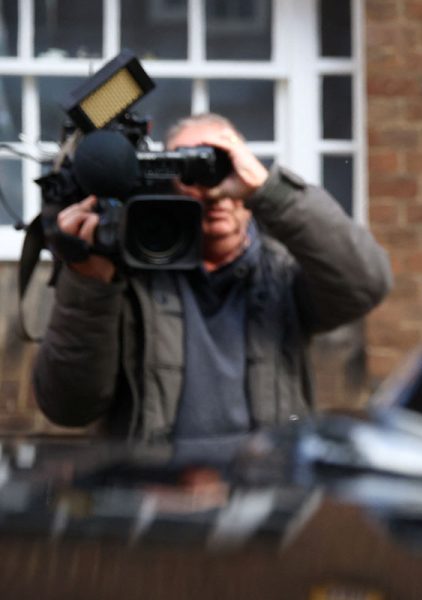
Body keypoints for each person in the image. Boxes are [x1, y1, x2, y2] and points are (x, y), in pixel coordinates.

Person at [33, 113, 392, 442]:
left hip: (263, 494)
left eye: (222, 165)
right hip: (154, 496)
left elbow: (366, 282)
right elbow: (68, 407)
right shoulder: (127, 277)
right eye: (189, 169)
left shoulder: (282, 273)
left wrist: (271, 192)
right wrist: (89, 284)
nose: (212, 189)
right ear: (167, 183)